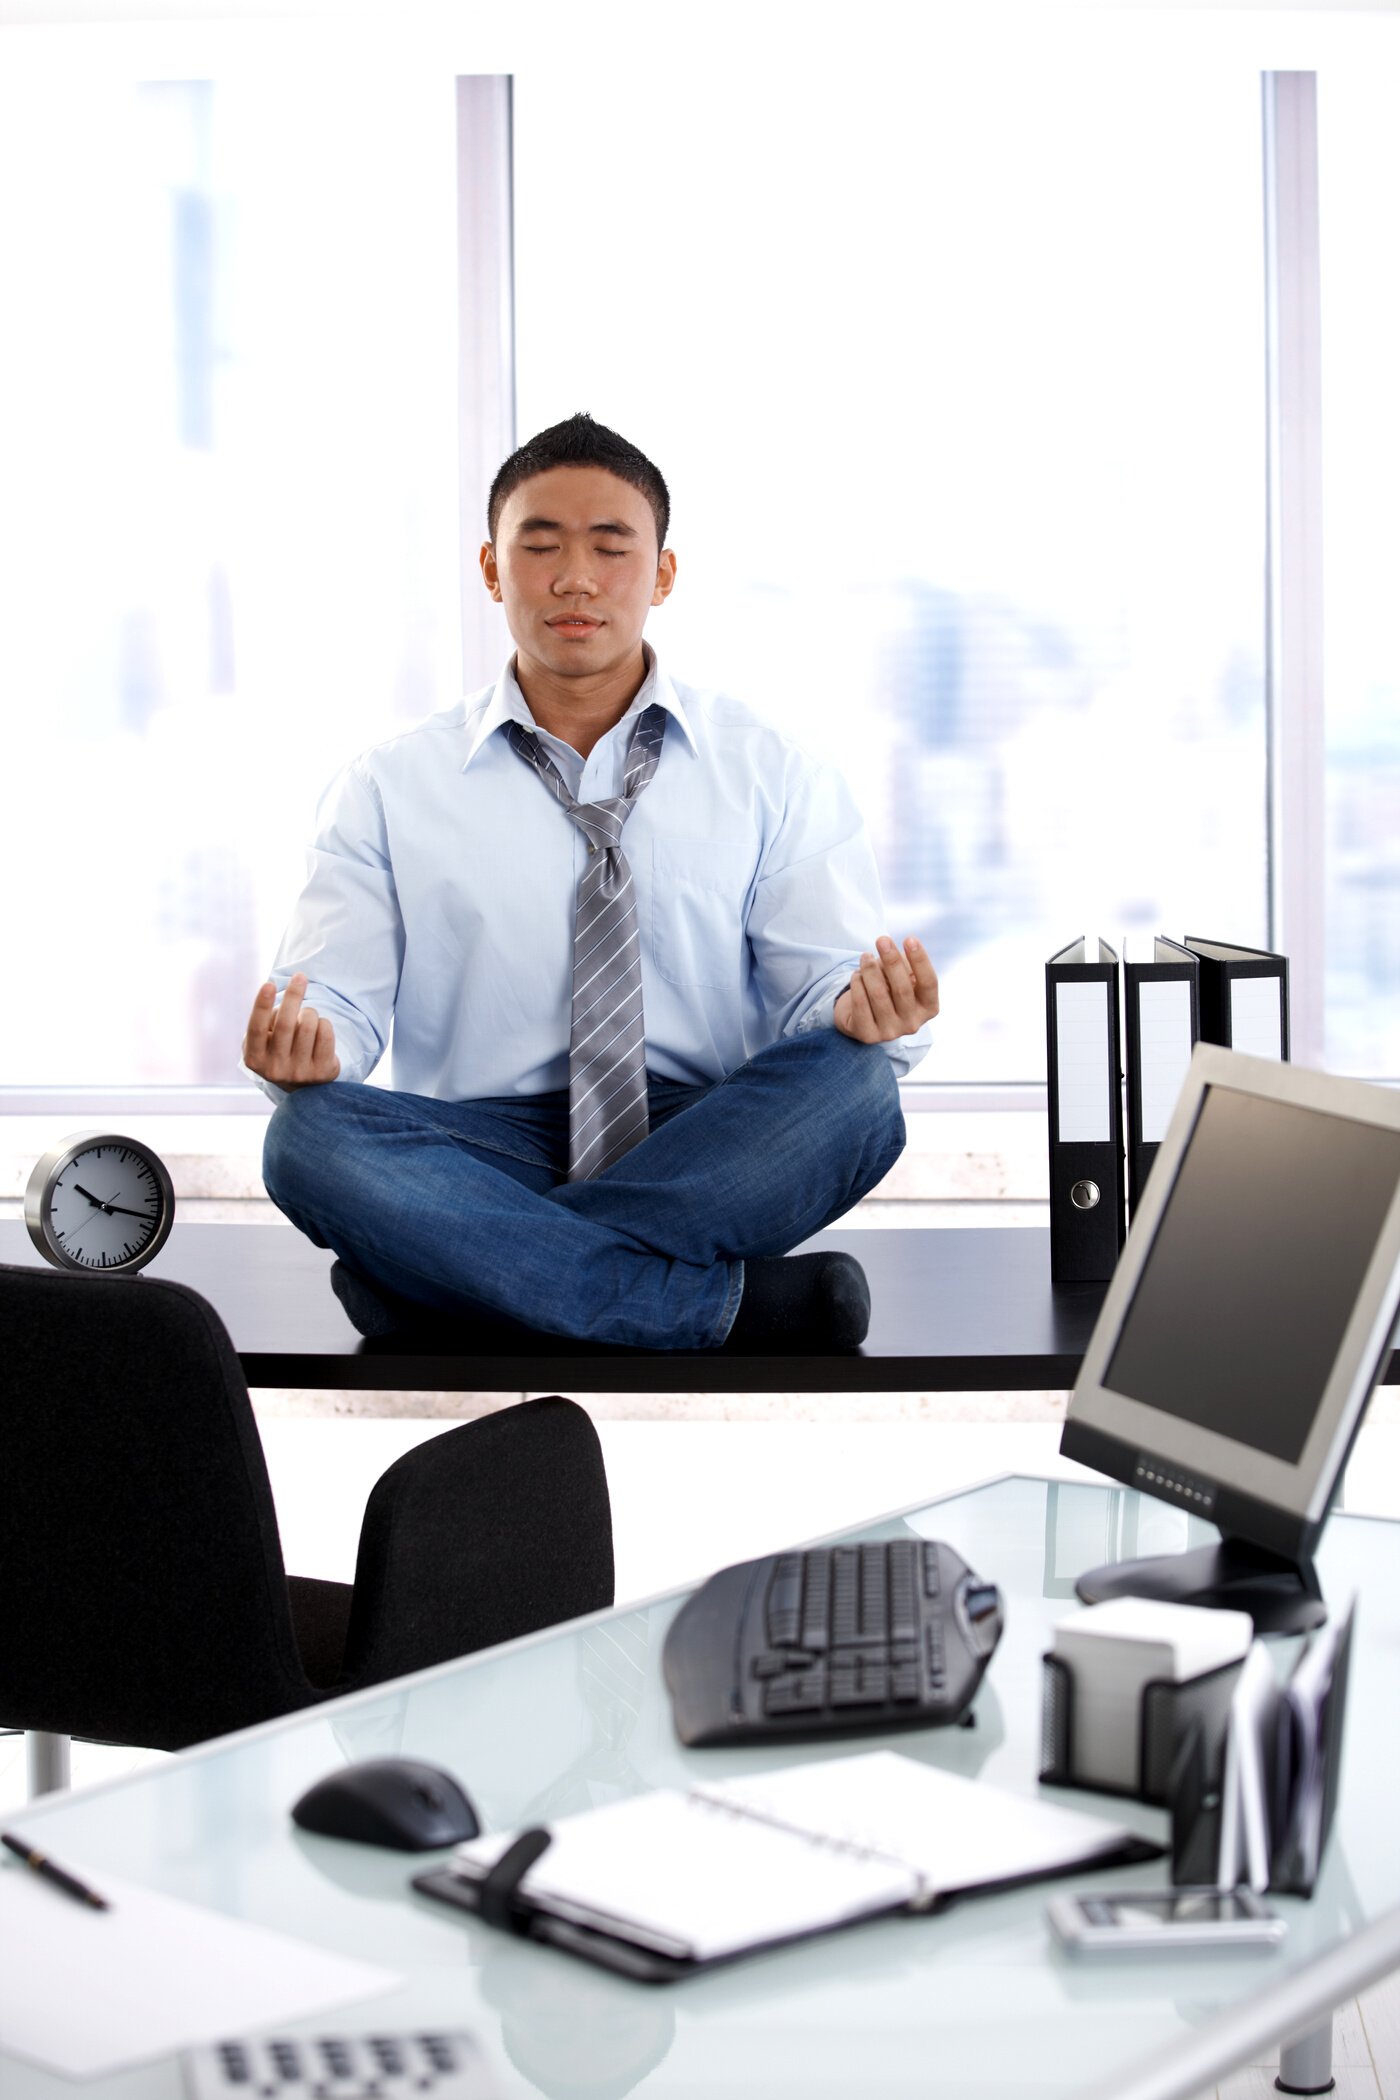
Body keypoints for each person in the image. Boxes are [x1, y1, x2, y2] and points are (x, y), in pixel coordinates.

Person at [246, 414, 938, 1350]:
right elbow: (336, 1007)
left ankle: (443, 1284)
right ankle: (720, 1308)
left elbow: (823, 1000)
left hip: (702, 1132)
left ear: (662, 574)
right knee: (308, 1141)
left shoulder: (776, 771)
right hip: (481, 1147)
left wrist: (864, 1015)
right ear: (492, 569)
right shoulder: (388, 784)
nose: (575, 577)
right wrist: (309, 1047)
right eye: (541, 546)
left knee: (857, 1091)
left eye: (611, 547)